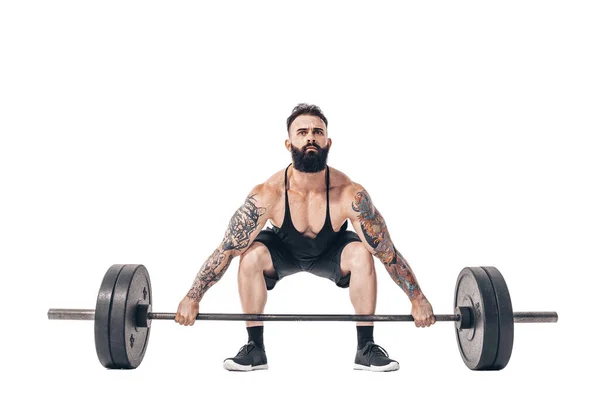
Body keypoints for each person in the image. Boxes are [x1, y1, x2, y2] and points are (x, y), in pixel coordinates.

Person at [174, 103, 435, 372]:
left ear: (328, 142)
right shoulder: (268, 194)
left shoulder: (349, 193)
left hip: (331, 253)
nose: (310, 136)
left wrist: (417, 299)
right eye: (302, 132)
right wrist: (193, 297)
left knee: (361, 252)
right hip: (282, 254)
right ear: (288, 143)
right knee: (249, 255)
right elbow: (227, 250)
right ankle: (255, 348)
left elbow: (386, 252)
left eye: (317, 131)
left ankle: (366, 348)